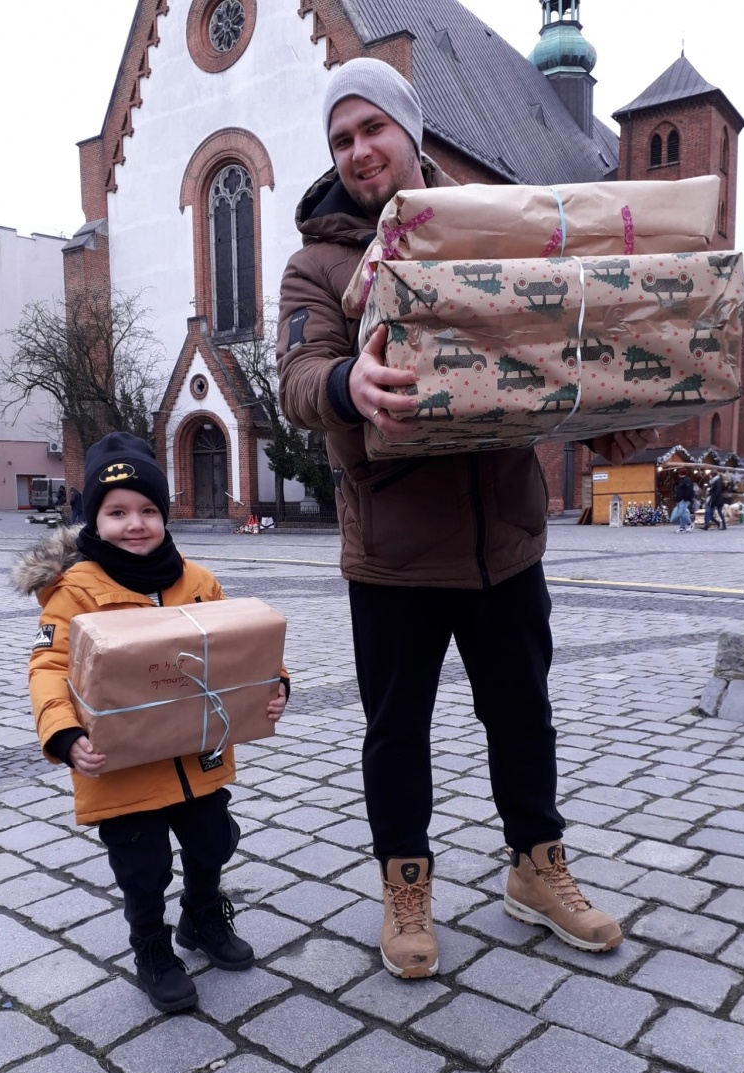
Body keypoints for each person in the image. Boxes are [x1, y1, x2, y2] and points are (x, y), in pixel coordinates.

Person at [277, 58, 653, 977]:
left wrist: (603, 419)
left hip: (507, 542)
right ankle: (405, 887)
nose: (360, 150)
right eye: (342, 138)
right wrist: (344, 380)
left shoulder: (493, 225)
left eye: (373, 128)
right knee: (396, 731)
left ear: (410, 132)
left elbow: (552, 342)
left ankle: (536, 867)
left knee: (523, 716)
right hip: (395, 551)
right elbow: (295, 379)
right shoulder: (317, 263)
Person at [13, 432, 288, 1013]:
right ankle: (152, 946)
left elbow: (244, 647)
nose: (133, 524)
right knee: (143, 868)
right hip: (121, 765)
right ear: (93, 518)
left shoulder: (197, 581)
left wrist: (275, 685)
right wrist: (63, 734)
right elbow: (49, 665)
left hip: (199, 756)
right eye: (117, 513)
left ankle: (202, 918)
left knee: (213, 844)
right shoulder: (73, 592)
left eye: (147, 511)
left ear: (164, 516)